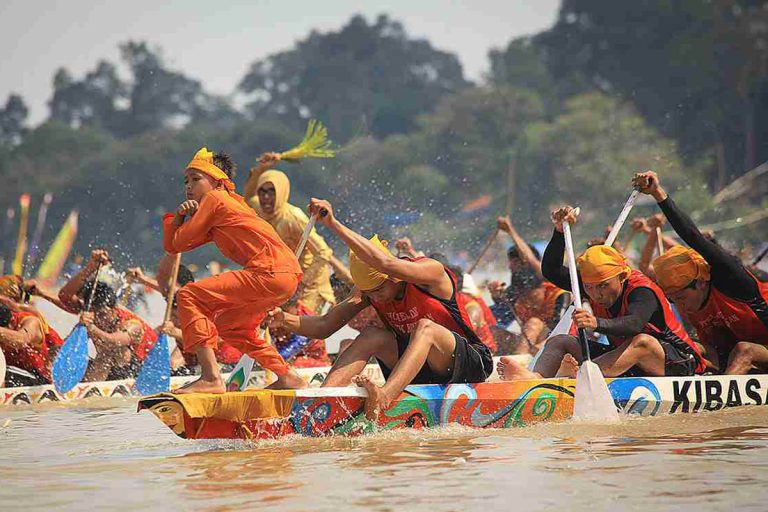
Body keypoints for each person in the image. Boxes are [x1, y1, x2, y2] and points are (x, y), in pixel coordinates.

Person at [267, 198, 493, 420]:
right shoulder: (368, 291)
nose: (375, 297)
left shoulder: (430, 273)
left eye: (379, 289)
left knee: (425, 328)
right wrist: (282, 318)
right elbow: (324, 326)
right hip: (421, 371)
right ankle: (320, 404)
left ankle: (384, 398)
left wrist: (333, 224)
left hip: (470, 365)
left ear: (394, 276)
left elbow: (387, 264)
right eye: (369, 292)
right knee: (371, 335)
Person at [497, 206, 703, 381]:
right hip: (627, 360)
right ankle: (536, 382)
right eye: (590, 287)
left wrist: (596, 323)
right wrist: (559, 231)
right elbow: (550, 270)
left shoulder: (641, 289)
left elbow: (634, 324)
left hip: (680, 363)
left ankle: (580, 378)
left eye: (603, 286)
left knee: (641, 341)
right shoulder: (589, 283)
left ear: (622, 277)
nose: (596, 294)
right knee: (560, 341)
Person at [163, 147, 305, 393]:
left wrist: (179, 218)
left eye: (196, 179)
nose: (188, 186)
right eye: (186, 181)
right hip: (285, 276)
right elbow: (174, 246)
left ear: (217, 180)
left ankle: (210, 378)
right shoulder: (224, 206)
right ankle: (288, 376)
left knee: (188, 295)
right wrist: (179, 218)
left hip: (270, 272)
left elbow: (176, 242)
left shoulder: (216, 199)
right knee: (231, 326)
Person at [635, 170, 768, 374]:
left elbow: (693, 237)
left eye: (680, 296)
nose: (680, 305)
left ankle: (721, 403)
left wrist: (658, 194)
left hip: (754, 351)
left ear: (701, 282)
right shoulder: (687, 294)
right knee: (690, 348)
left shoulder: (730, 277)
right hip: (740, 357)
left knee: (745, 350)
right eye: (673, 299)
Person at [244, 154, 341, 313]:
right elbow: (248, 197)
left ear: (282, 192)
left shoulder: (294, 218)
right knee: (277, 329)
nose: (266, 198)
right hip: (285, 281)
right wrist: (261, 169)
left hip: (311, 284)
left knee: (303, 330)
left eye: (271, 192)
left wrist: (301, 284)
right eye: (262, 191)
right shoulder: (258, 209)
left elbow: (323, 252)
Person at [58, 250, 158, 381]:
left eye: (103, 314)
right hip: (110, 371)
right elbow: (65, 296)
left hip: (144, 373)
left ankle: (91, 394)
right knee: (57, 350)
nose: (99, 318)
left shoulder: (132, 324)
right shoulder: (91, 313)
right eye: (96, 314)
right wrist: (91, 267)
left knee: (109, 352)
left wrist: (91, 328)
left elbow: (113, 341)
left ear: (113, 309)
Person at [490, 216, 570, 354]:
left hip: (556, 344)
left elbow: (564, 330)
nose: (510, 266)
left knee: (534, 323)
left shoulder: (558, 293)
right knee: (492, 331)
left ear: (542, 287)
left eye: (516, 262)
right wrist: (496, 297)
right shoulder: (517, 293)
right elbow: (499, 317)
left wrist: (510, 231)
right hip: (528, 345)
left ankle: (520, 370)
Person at [0, 301, 63, 386]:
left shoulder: (31, 322)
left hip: (40, 379)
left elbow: (21, 340)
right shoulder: (8, 321)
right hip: (16, 373)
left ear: (12, 322)